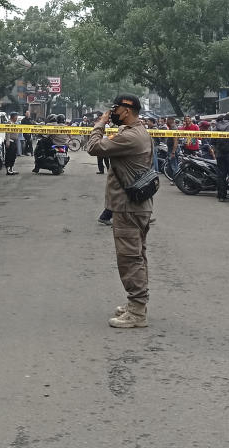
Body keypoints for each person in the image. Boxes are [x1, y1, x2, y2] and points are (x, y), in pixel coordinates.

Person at [86, 93, 154, 329]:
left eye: (115, 109)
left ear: (127, 110)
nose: (112, 112)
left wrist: (99, 125)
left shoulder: (131, 136)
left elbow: (93, 147)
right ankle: (137, 304)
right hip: (135, 206)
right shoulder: (136, 131)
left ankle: (137, 312)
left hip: (128, 207)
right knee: (137, 256)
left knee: (129, 258)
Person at [213, 113, 229, 201]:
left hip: (220, 154)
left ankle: (221, 196)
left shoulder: (216, 127)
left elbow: (212, 140)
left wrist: (217, 149)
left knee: (221, 175)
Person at [5, 111, 20, 175]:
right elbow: (7, 133)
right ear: (13, 117)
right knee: (9, 156)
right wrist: (7, 141)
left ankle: (11, 168)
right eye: (16, 116)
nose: (17, 118)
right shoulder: (9, 123)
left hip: (14, 142)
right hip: (10, 141)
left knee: (13, 156)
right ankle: (8, 169)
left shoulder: (15, 123)